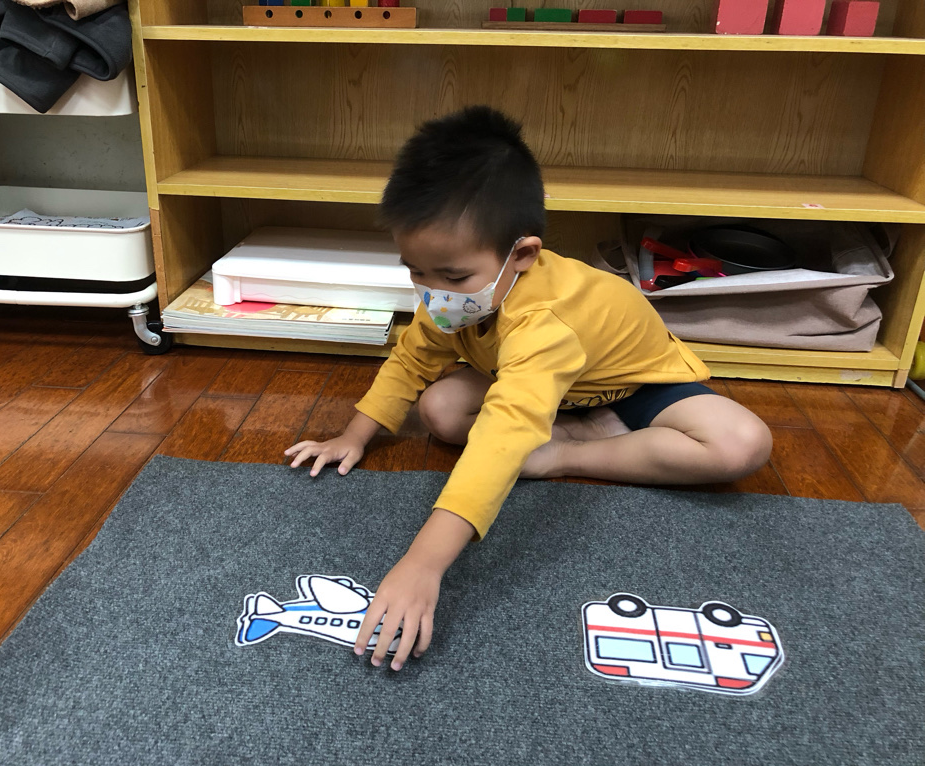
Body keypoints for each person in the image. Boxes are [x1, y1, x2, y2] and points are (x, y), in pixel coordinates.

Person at [284, 105, 772, 673]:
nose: (433, 293)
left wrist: (422, 564)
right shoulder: (453, 300)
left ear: (521, 255)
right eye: (416, 270)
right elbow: (411, 360)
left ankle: (567, 450)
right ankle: (575, 429)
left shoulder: (544, 321)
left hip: (630, 386)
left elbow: (503, 433)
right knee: (440, 410)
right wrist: (354, 435)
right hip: (535, 380)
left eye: (454, 277)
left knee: (741, 443)